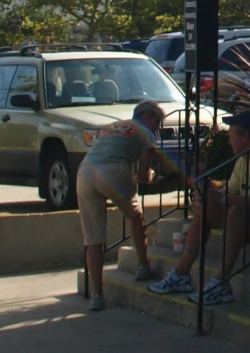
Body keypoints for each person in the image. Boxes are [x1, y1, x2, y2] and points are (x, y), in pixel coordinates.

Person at [151, 109, 250, 304]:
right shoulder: (244, 158)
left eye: (231, 136)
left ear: (245, 136)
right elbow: (231, 191)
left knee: (236, 212)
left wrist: (222, 200)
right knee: (207, 207)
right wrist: (210, 195)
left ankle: (221, 283)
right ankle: (181, 274)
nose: (229, 141)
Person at [78, 99, 188, 311]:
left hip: (85, 172)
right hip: (113, 170)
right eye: (157, 121)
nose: (157, 126)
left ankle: (97, 295)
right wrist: (150, 175)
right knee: (135, 216)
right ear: (147, 116)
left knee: (93, 238)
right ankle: (142, 265)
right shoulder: (145, 133)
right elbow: (145, 175)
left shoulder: (113, 127)